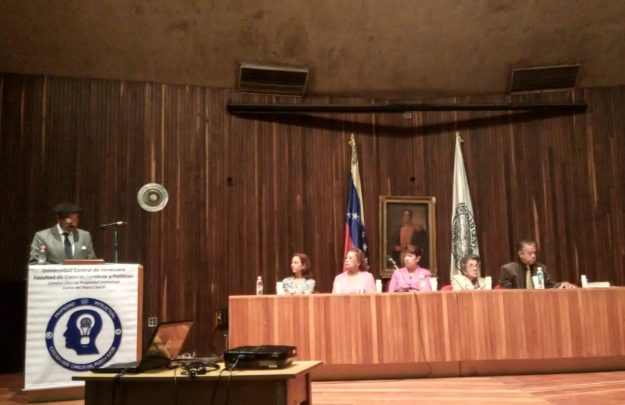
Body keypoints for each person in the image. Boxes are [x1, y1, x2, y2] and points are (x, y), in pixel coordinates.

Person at [29, 202, 97, 264]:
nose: (73, 223)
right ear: (59, 219)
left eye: (75, 219)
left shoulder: (85, 235)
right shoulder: (42, 237)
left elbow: (92, 260)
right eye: (69, 220)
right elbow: (35, 262)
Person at [499, 239, 576, 289]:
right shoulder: (508, 269)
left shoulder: (540, 268)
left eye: (534, 253)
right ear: (521, 254)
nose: (533, 256)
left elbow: (549, 285)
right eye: (530, 253)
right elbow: (506, 293)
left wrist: (561, 285)